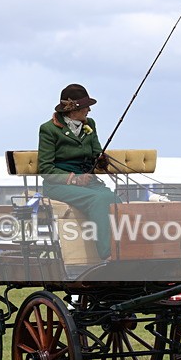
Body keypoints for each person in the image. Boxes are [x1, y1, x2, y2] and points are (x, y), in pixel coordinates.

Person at [38, 83, 117, 260]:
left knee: (113, 198)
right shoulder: (49, 129)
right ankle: (108, 254)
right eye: (86, 106)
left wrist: (102, 160)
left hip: (88, 181)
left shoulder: (90, 125)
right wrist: (74, 179)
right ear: (73, 109)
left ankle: (123, 249)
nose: (89, 110)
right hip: (58, 184)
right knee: (98, 199)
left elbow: (96, 152)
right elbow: (45, 169)